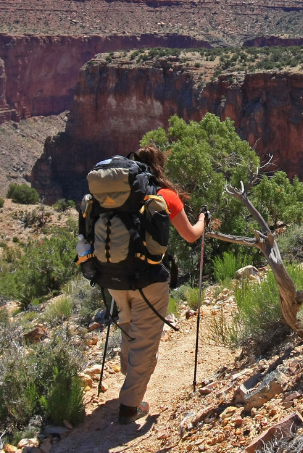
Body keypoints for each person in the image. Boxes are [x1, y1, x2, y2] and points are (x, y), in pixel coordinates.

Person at [112, 145, 206, 425]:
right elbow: (190, 236)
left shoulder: (119, 191)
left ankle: (127, 375)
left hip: (114, 276)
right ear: (160, 167)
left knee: (127, 324)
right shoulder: (165, 195)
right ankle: (130, 407)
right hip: (148, 279)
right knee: (145, 341)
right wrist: (203, 220)